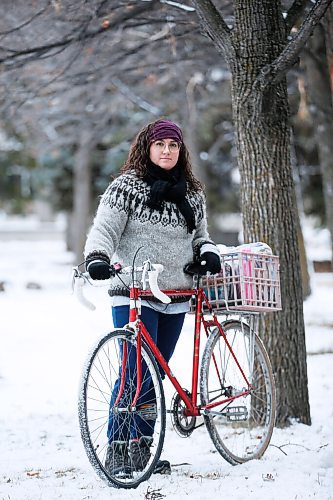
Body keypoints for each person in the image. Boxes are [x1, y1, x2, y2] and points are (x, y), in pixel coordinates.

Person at [84, 118, 221, 476]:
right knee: (133, 371)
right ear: (147, 147)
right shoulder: (125, 187)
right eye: (160, 144)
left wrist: (207, 251)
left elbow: (199, 237)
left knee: (154, 373)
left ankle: (141, 447)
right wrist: (97, 257)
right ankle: (117, 446)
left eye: (173, 145)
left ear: (181, 151)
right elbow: (104, 230)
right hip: (134, 292)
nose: (166, 151)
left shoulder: (191, 193)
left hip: (176, 294)